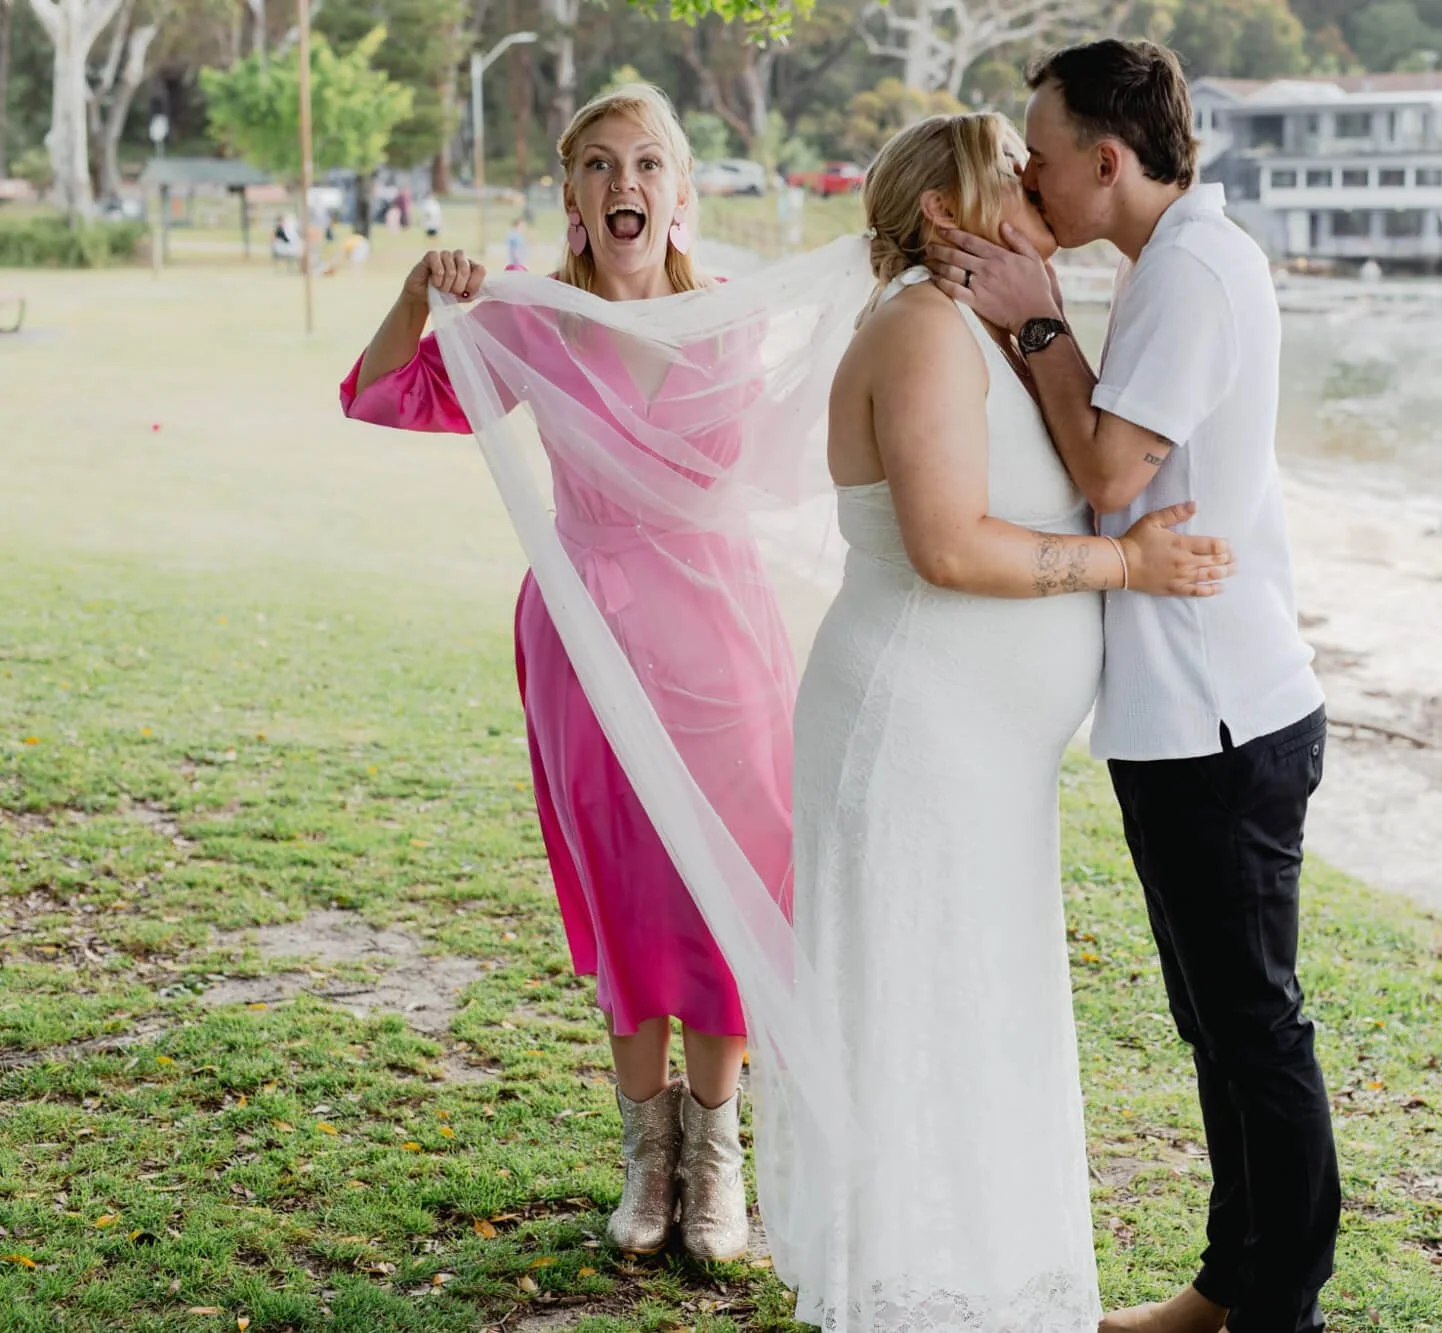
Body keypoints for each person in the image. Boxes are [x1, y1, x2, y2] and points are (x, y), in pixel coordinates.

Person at [762, 111, 1235, 1333]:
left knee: (973, 1013)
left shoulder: (982, 328)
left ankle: (967, 1286)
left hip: (980, 756)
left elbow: (1087, 454)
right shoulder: (920, 329)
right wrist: (1123, 569)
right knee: (923, 1013)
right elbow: (947, 544)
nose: (1035, 194)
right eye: (1011, 181)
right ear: (944, 215)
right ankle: (913, 1292)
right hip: (916, 734)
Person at [927, 39, 1341, 1333]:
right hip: (1184, 715)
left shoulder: (1192, 274)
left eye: (1044, 160)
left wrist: (1035, 316)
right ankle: (1230, 1287)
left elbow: (1110, 474)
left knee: (1255, 1027)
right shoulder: (1179, 263)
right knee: (1217, 1023)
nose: (1032, 181)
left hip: (1223, 714)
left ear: (1109, 163)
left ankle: (1282, 1305)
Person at [339, 83, 776, 1264]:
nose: (622, 182)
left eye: (645, 162)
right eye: (596, 164)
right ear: (572, 195)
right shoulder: (526, 322)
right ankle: (646, 1160)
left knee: (721, 895)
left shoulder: (736, 320)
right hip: (582, 636)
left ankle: (717, 1154)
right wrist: (415, 294)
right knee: (630, 895)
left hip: (720, 645)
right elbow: (380, 395)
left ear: (678, 191)